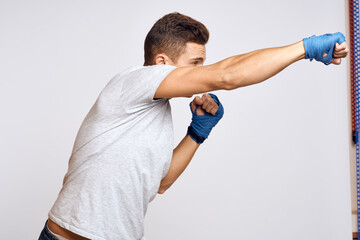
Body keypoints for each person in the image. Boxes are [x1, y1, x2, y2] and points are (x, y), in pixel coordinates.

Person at [38, 12, 348, 240]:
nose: (203, 72)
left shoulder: (154, 114)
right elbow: (226, 75)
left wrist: (197, 132)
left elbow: (160, 182)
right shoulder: (133, 80)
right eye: (195, 64)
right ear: (161, 64)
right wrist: (304, 48)